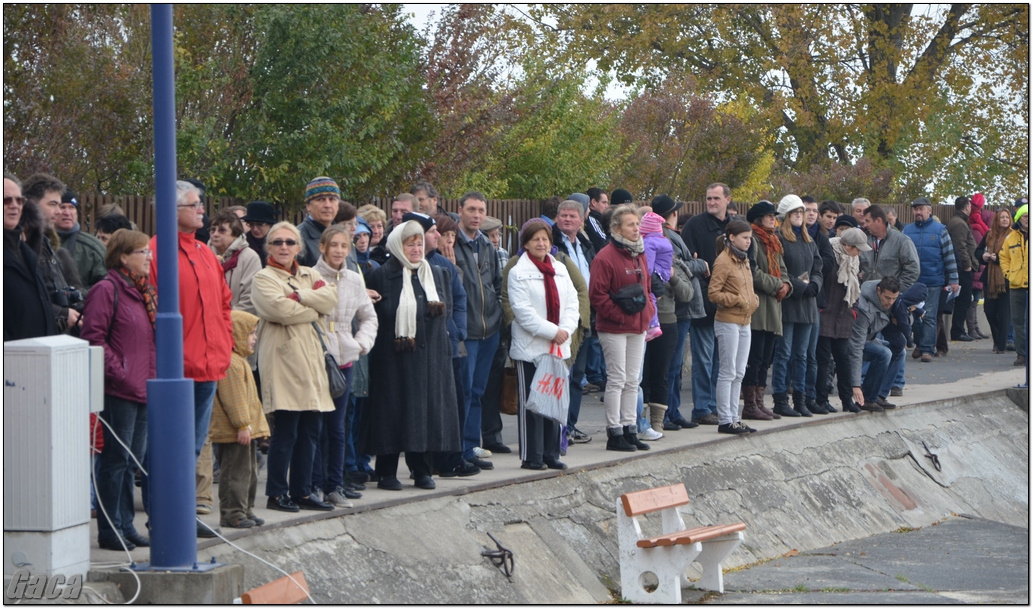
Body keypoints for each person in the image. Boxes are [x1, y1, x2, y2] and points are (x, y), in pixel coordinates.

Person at [148, 180, 234, 536]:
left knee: (193, 447)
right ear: (173, 211)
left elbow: (224, 303)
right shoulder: (156, 251)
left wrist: (225, 344)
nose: (202, 210)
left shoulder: (204, 253)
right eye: (195, 205)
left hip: (209, 366)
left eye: (201, 204)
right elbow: (151, 308)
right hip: (176, 369)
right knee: (168, 448)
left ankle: (181, 516)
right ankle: (163, 517)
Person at [362, 220, 461, 490]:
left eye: (419, 243)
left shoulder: (438, 274)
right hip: (393, 359)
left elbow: (447, 312)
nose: (416, 249)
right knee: (392, 413)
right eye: (410, 244)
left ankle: (422, 470)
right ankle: (386, 472)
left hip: (431, 358)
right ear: (397, 246)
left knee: (425, 414)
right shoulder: (381, 276)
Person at [252, 221, 338, 512]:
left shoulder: (309, 273)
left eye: (290, 242)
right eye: (277, 242)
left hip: (311, 360)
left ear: (299, 247)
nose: (284, 247)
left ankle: (302, 491)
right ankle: (276, 493)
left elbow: (332, 298)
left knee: (311, 429)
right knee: (286, 430)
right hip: (284, 361)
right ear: (269, 247)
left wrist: (300, 296)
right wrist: (315, 309)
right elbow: (278, 310)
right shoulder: (264, 278)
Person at [81, 229, 156, 551]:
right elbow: (93, 337)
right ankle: (111, 529)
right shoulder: (106, 289)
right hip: (120, 389)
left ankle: (126, 524)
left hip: (143, 388)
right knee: (115, 460)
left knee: (131, 462)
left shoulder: (143, 292)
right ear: (123, 256)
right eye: (142, 252)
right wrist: (121, 373)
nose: (149, 257)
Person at [312, 225, 377, 507]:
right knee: (315, 425)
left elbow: (368, 316)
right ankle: (312, 483)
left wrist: (360, 344)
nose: (338, 250)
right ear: (323, 248)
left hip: (345, 357)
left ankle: (334, 484)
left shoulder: (353, 279)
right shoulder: (309, 276)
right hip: (316, 356)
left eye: (343, 246)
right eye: (333, 245)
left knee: (338, 427)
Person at [507, 219, 580, 469]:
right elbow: (523, 312)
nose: (541, 243)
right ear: (526, 243)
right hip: (531, 347)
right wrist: (553, 331)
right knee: (533, 404)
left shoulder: (560, 269)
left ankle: (551, 454)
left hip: (558, 347)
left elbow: (572, 303)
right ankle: (532, 456)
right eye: (536, 239)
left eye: (545, 239)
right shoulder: (518, 272)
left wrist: (565, 330)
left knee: (554, 402)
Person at [589, 204, 654, 452]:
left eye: (637, 224)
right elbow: (598, 296)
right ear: (617, 228)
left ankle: (630, 428)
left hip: (638, 325)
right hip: (614, 327)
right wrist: (619, 317)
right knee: (616, 379)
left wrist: (647, 313)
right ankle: (614, 432)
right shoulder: (605, 257)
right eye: (630, 224)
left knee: (632, 380)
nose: (636, 229)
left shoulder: (640, 253)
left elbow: (647, 288)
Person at [453, 192, 503, 467]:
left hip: (489, 329)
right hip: (467, 330)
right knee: (465, 390)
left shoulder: (487, 244)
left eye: (481, 210)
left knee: (479, 390)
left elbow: (496, 283)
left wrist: (496, 316)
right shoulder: (452, 243)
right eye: (471, 209)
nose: (476, 214)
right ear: (460, 210)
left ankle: (471, 445)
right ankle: (460, 448)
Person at [209, 310, 271, 529]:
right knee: (235, 472)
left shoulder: (241, 361)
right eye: (251, 333)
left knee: (250, 471)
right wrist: (243, 424)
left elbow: (251, 401)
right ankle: (232, 513)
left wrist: (258, 427)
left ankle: (246, 509)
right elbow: (234, 400)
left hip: (246, 429)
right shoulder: (232, 363)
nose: (254, 338)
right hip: (236, 430)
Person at [679, 183, 733, 425]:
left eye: (716, 198)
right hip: (704, 303)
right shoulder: (694, 226)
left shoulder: (734, 227)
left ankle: (716, 405)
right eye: (708, 198)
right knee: (704, 358)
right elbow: (688, 263)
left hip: (729, 305)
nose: (711, 202)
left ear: (727, 200)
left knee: (723, 361)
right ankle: (702, 408)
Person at [651, 195, 706, 431]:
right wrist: (699, 264)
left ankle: (672, 411)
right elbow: (677, 268)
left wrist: (689, 264)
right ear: (671, 214)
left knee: (674, 366)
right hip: (677, 308)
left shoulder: (672, 236)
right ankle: (666, 412)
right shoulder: (667, 237)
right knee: (670, 366)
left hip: (681, 308)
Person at [769, 195, 822, 418]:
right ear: (786, 216)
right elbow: (780, 270)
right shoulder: (780, 239)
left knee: (802, 355)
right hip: (789, 304)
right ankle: (780, 399)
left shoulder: (809, 241)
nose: (800, 216)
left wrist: (815, 285)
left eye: (801, 212)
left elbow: (819, 267)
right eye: (796, 213)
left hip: (808, 305)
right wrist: (800, 286)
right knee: (784, 353)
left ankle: (800, 398)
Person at [640, 204, 688, 438]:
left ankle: (657, 422)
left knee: (662, 373)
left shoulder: (670, 257)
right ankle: (640, 421)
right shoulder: (640, 251)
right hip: (644, 318)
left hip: (668, 319)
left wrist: (672, 277)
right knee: (642, 374)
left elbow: (688, 293)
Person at [551, 199, 597, 443]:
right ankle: (557, 427)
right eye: (563, 215)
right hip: (561, 320)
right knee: (561, 376)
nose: (567, 219)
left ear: (581, 221)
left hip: (585, 319)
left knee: (578, 377)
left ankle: (571, 425)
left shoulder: (585, 245)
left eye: (572, 216)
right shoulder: (551, 244)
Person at [741, 201, 792, 421]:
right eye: (769, 216)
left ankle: (760, 402)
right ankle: (750, 404)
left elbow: (783, 269)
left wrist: (787, 285)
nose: (774, 219)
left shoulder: (775, 242)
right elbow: (753, 272)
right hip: (758, 307)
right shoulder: (751, 240)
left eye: (774, 216)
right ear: (759, 218)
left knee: (766, 359)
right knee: (755, 357)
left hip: (774, 307)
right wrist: (777, 285)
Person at [708, 219, 759, 434]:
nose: (749, 242)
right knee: (727, 371)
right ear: (732, 238)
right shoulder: (724, 261)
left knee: (739, 372)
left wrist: (753, 300)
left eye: (750, 238)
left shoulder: (744, 260)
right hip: (728, 320)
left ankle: (734, 417)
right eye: (745, 238)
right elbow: (713, 293)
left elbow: (748, 287)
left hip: (744, 320)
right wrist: (737, 299)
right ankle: (725, 419)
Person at [816, 228, 871, 413]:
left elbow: (856, 288)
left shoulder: (853, 260)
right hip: (825, 315)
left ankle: (847, 400)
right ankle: (821, 399)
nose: (860, 253)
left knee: (843, 360)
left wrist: (853, 311)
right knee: (823, 360)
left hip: (844, 316)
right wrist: (821, 307)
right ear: (847, 246)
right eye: (857, 249)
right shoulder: (830, 254)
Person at [22, 173, 84, 335]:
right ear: (31, 204)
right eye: (53, 204)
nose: (58, 211)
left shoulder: (44, 242)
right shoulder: (21, 243)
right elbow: (23, 301)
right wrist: (61, 314)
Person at [903, 198, 959, 363]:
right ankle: (920, 343)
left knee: (929, 316)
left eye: (921, 209)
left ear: (929, 211)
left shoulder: (940, 230)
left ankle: (927, 350)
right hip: (912, 281)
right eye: (915, 209)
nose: (918, 212)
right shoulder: (906, 231)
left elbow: (949, 257)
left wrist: (953, 279)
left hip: (934, 281)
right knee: (913, 316)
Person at [4, 173, 56, 340]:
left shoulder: (27, 252)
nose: (14, 206)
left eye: (19, 200)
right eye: (6, 200)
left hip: (37, 357)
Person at [848, 277, 902, 412]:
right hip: (853, 341)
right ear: (878, 291)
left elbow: (907, 321)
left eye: (894, 299)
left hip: (870, 339)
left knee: (900, 351)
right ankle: (868, 398)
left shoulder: (893, 301)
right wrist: (855, 385)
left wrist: (903, 317)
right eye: (887, 298)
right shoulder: (864, 308)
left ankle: (880, 395)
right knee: (884, 353)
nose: (890, 302)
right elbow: (856, 347)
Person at [975, 208, 1014, 353]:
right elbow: (978, 251)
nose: (1004, 219)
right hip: (990, 278)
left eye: (1007, 217)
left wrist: (998, 258)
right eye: (1001, 217)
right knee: (989, 311)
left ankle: (1001, 345)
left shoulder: (1013, 236)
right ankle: (998, 340)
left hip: (1006, 279)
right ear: (997, 220)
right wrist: (983, 256)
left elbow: (1013, 256)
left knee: (1004, 314)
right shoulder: (989, 234)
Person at [208, 210, 261, 313]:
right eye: (212, 230)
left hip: (237, 323)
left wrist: (225, 320)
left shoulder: (249, 257)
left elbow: (250, 299)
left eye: (222, 230)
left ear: (235, 234)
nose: (215, 234)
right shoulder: (202, 255)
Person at [54, 189, 107, 288]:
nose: (67, 212)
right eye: (62, 207)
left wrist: (80, 296)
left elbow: (105, 288)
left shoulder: (93, 248)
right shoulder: (39, 243)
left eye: (72, 207)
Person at [999, 204, 1028, 368]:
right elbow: (1004, 257)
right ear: (1018, 218)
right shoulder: (1011, 238)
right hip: (1016, 285)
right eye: (1025, 216)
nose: (1028, 219)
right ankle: (1022, 354)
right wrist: (1008, 274)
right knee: (1017, 322)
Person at [947, 196, 978, 342]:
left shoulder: (958, 221)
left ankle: (959, 330)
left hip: (963, 266)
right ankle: (958, 331)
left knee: (964, 300)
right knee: (963, 300)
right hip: (963, 268)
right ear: (967, 207)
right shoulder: (959, 223)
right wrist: (967, 265)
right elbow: (961, 246)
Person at [297, 177, 341, 267]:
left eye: (332, 199)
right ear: (308, 206)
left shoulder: (344, 236)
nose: (328, 205)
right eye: (320, 200)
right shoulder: (297, 238)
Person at [242, 200, 278, 267]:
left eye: (260, 224)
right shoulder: (242, 243)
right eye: (251, 224)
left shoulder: (279, 243)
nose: (255, 229)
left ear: (270, 224)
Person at [584, 187, 611, 252]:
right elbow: (603, 243)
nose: (607, 206)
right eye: (604, 202)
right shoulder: (591, 219)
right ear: (593, 202)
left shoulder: (599, 219)